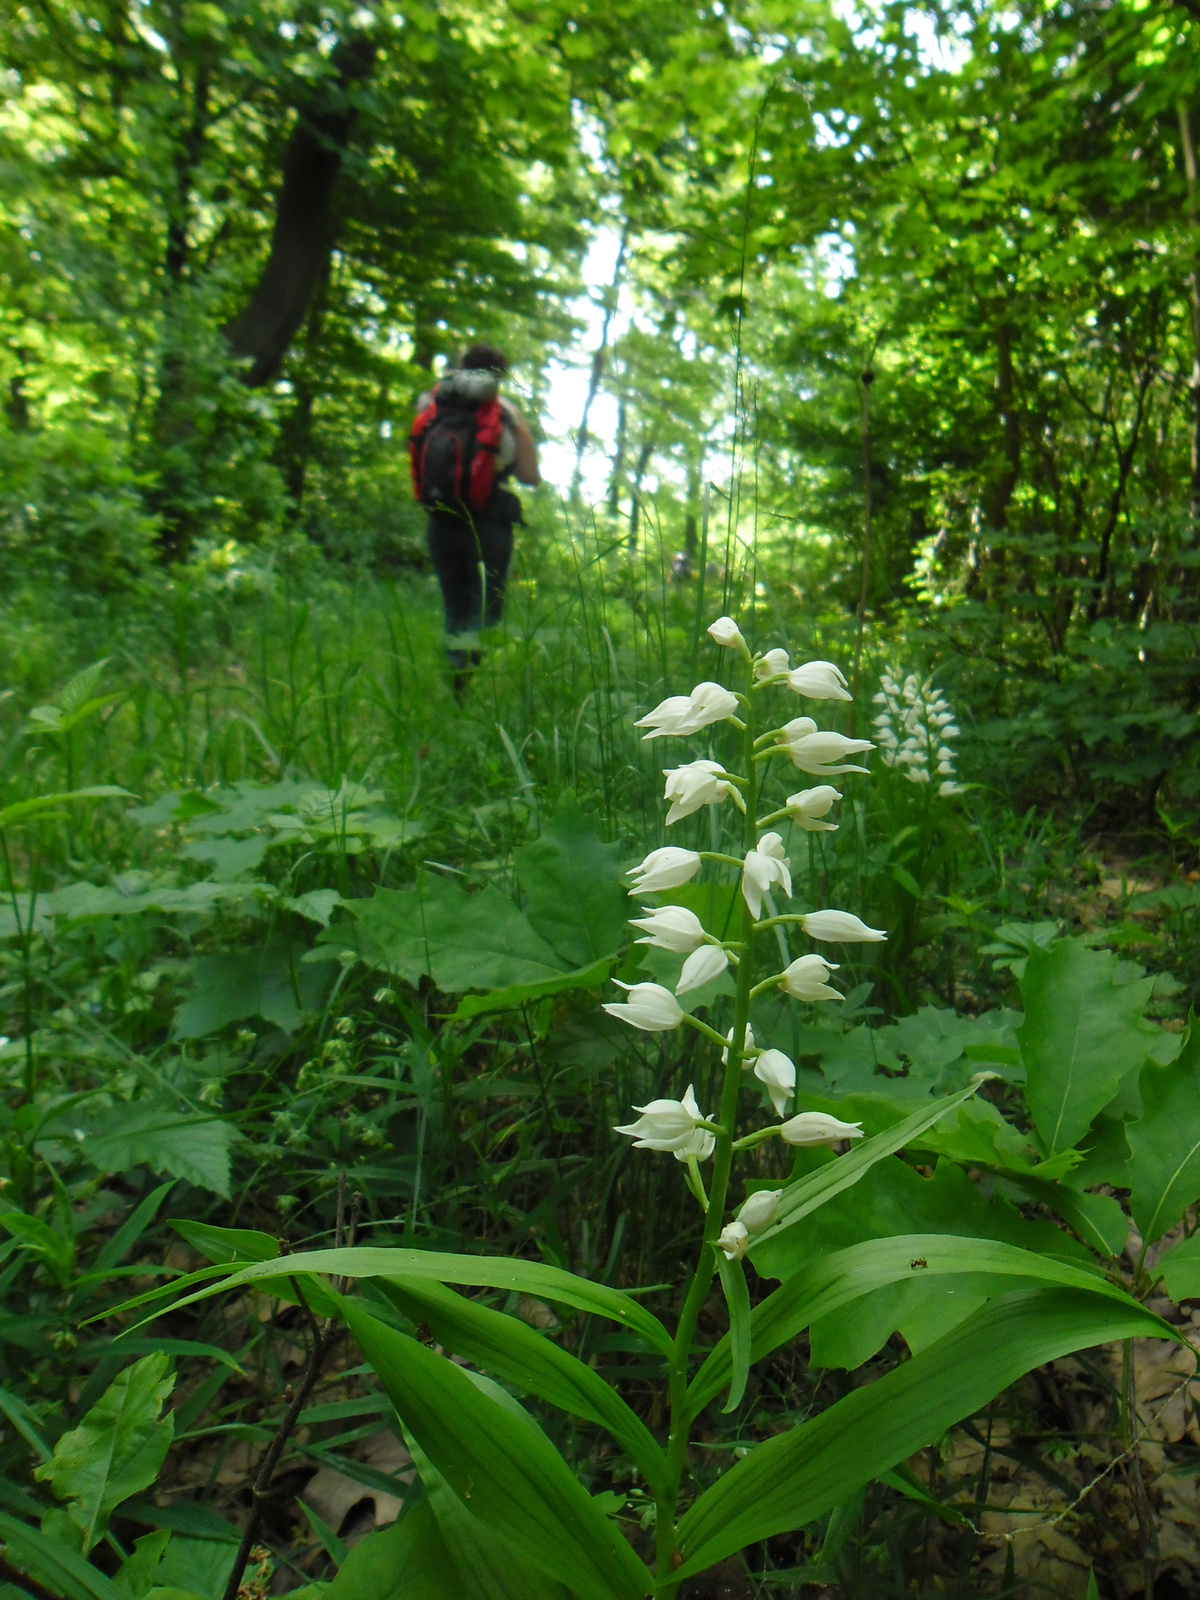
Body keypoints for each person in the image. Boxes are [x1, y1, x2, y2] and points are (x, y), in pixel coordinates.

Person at [415, 344, 540, 692]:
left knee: (454, 607)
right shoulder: (505, 412)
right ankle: (471, 691)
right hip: (490, 521)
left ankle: (455, 686)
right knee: (485, 612)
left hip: (440, 517)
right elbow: (530, 475)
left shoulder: (432, 404)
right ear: (499, 376)